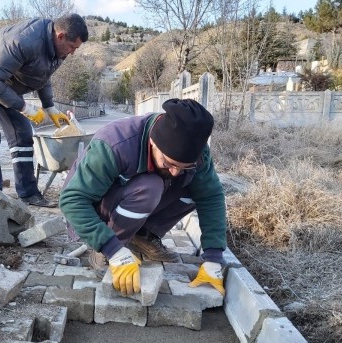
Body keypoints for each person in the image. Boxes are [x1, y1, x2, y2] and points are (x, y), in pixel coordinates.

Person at [59, 98, 227, 296]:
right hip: (95, 210)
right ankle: (105, 250)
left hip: (132, 200)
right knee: (150, 187)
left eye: (183, 166)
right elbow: (72, 200)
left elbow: (211, 197)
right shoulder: (115, 143)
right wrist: (112, 249)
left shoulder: (196, 154)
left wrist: (214, 257)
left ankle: (143, 236)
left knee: (193, 187)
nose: (174, 172)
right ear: (153, 143)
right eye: (169, 163)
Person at [0, 14, 88, 207]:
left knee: (23, 135)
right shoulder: (23, 41)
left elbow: (43, 76)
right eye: (72, 47)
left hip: (6, 83)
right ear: (61, 36)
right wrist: (25, 107)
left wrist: (49, 106)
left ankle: (28, 193)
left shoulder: (57, 50)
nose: (72, 53)